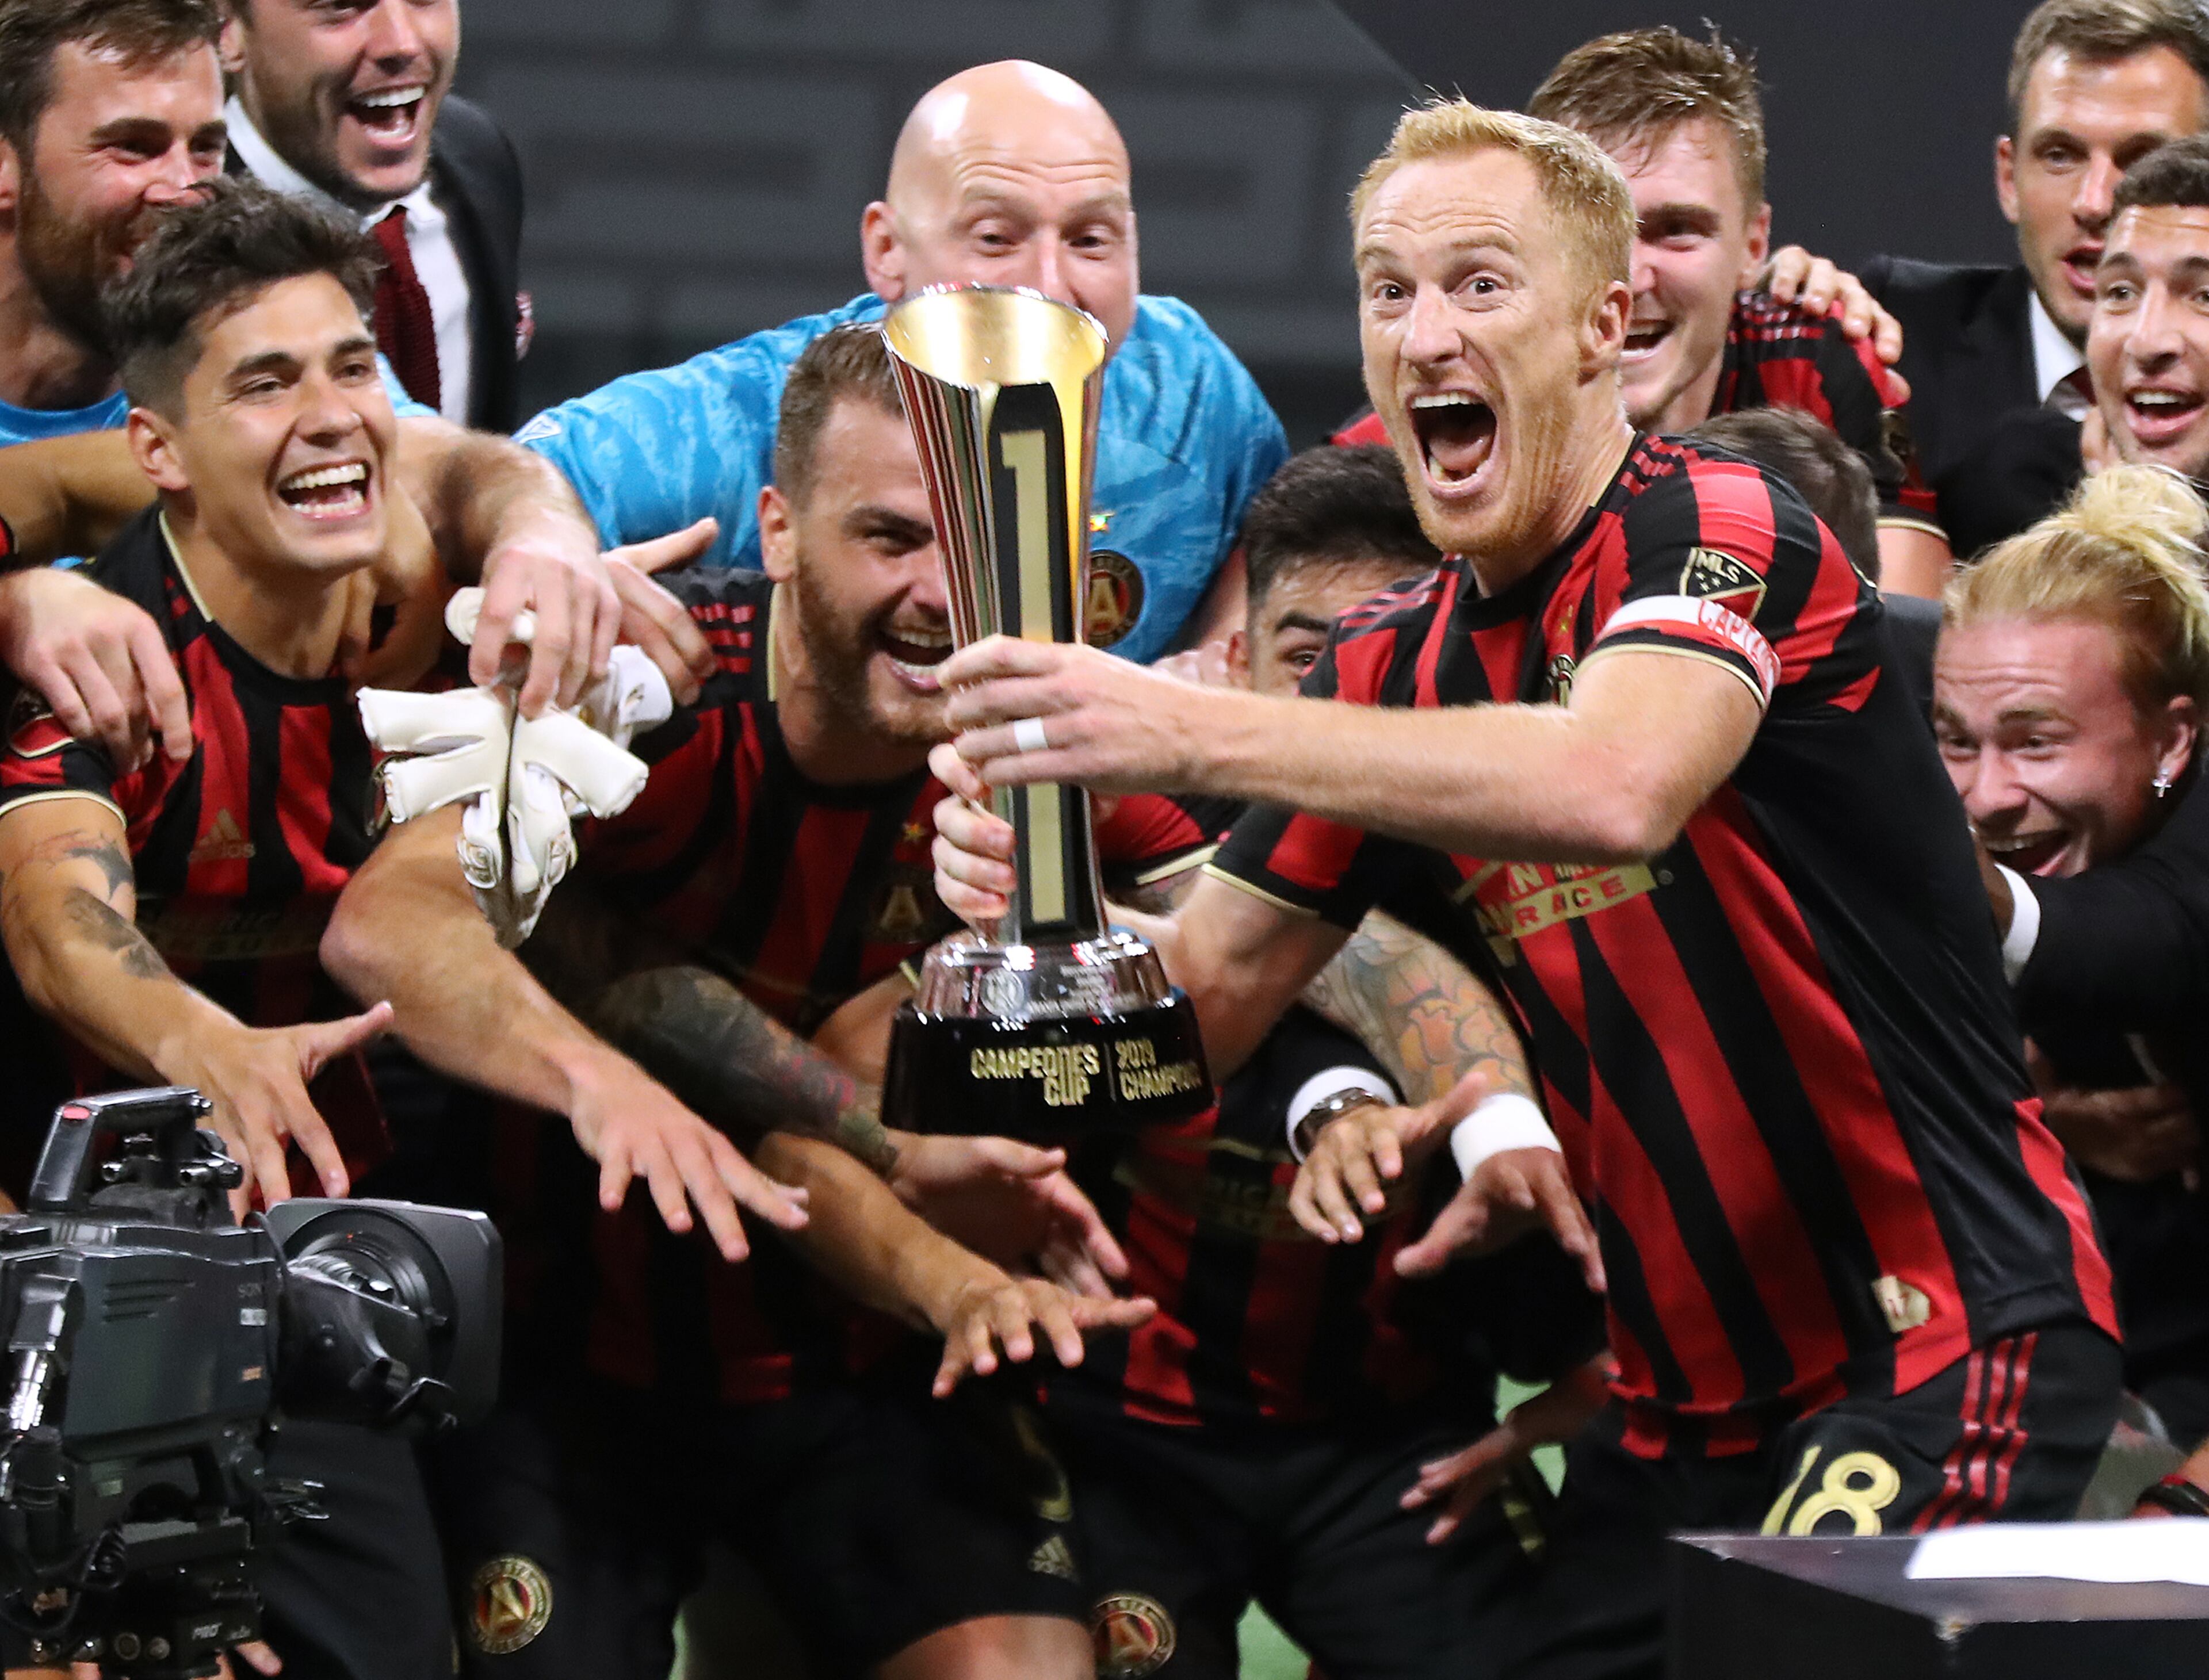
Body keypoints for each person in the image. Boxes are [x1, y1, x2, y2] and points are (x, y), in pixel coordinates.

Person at [926, 101, 2123, 1680]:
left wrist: (1168, 717)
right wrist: (1031, 941)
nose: (1427, 333)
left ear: (1603, 326)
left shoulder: (1720, 525)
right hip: (1675, 1426)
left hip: (1940, 1345)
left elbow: (1613, 781)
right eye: (1388, 290)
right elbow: (1199, 1013)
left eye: (1480, 285)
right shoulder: (1383, 662)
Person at [321, 323, 1218, 1680]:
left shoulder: (1043, 739)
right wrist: (607, 1082)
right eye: (889, 537)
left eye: (970, 547)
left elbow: (1302, 941)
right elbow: (387, 921)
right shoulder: (639, 694)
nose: (937, 593)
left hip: (862, 1375)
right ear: (779, 529)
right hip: (568, 1374)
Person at [0, 178, 744, 1680]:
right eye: (267, 383)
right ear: (159, 450)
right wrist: (206, 1047)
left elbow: (403, 919)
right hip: (43, 1292)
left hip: (301, 1283)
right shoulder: (92, 656)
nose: (334, 414)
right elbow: (57, 917)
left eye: (352, 368)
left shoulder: (442, 614)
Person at [1049, 445, 1604, 1680]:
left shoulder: (1517, 872)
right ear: (1232, 661)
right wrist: (1339, 1101)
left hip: (1392, 1443)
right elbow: (1260, 981)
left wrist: (1598, 1355)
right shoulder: (1133, 817)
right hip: (1127, 1434)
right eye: (1310, 659)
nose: (1346, 709)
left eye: (1388, 659)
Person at [0, 0, 667, 770]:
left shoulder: (257, 334)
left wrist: (542, 540)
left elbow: (448, 466)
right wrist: (14, 607)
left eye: (207, 148)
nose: (183, 190)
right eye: (134, 149)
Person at [511, 58, 1287, 665]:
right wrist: (548, 546)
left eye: (1090, 240)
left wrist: (1220, 656)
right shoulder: (755, 417)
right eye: (996, 239)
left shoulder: (1191, 397)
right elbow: (519, 481)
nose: (1052, 289)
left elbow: (1292, 551)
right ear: (887, 252)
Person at [1335, 28, 1949, 594]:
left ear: (1753, 246)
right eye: (1598, 234)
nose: (1629, 274)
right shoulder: (1403, 436)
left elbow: (1905, 643)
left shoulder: (1820, 366)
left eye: (1677, 230)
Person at [1935, 464, 2209, 1461]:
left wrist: (1938, 879)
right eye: (1954, 743)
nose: (1986, 797)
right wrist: (2055, 1128)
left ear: (2174, 737)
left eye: (2036, 744)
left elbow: (2149, 935)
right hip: (2070, 1386)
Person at [1857, 0, 2209, 558]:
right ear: (2008, 176)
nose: (2097, 203)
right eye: (2060, 155)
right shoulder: (1892, 335)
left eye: (2144, 160)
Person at [221, 0, 528, 430]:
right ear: (226, 26)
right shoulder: (162, 230)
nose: (401, 43)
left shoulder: (479, 157)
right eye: (342, 7)